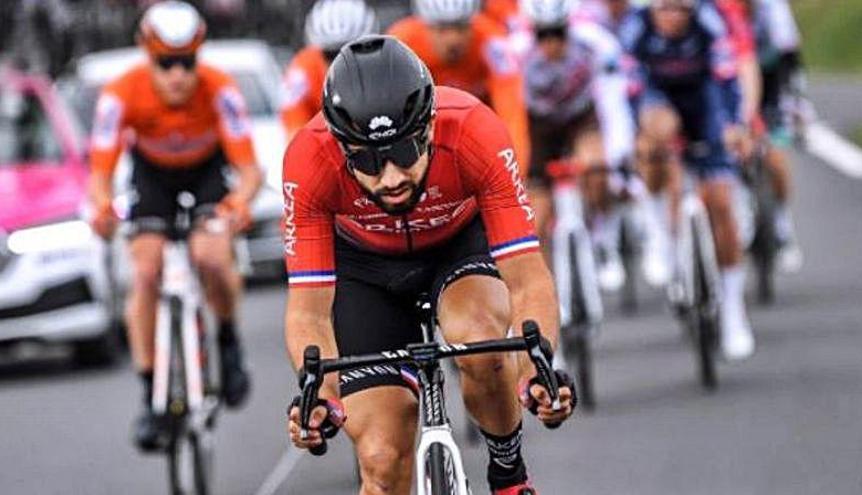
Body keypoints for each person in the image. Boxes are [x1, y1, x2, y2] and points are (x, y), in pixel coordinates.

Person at [283, 36, 575, 495]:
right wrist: (318, 396)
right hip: (365, 268)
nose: (392, 177)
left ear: (429, 128)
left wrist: (540, 367)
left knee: (481, 337)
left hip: (457, 245)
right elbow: (309, 313)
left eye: (404, 152)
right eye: (368, 161)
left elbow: (527, 278)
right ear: (341, 148)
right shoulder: (308, 160)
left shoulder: (475, 130)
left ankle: (508, 474)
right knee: (380, 459)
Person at [87, 0, 262, 450]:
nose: (177, 75)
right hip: (154, 177)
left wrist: (239, 203)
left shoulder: (221, 89)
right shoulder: (120, 93)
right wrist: (102, 206)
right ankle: (151, 396)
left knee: (211, 255)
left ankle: (227, 340)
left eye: (186, 62)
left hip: (207, 173)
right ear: (147, 56)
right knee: (145, 271)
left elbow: (248, 170)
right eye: (166, 64)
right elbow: (100, 172)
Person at [620, 0, 756, 359]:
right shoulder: (636, 28)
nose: (673, 17)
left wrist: (734, 127)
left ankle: (732, 309)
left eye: (682, 10)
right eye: (665, 9)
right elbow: (629, 89)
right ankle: (659, 234)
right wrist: (637, 137)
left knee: (721, 203)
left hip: (703, 102)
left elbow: (727, 78)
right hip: (658, 103)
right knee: (655, 145)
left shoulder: (711, 21)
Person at [519, 0, 636, 291]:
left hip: (581, 119)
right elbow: (508, 109)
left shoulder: (596, 43)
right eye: (542, 35)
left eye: (558, 33)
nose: (551, 43)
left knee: (595, 169)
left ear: (569, 28)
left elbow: (613, 100)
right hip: (538, 127)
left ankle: (604, 242)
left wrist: (618, 153)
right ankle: (546, 288)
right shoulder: (515, 52)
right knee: (537, 218)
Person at [387, 0, 531, 176]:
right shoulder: (401, 43)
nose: (453, 39)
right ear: (425, 26)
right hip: (426, 126)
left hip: (477, 124)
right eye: (442, 29)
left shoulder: (492, 41)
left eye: (461, 28)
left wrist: (516, 174)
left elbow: (512, 115)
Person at [744, 0, 804, 272]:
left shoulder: (773, 8)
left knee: (777, 160)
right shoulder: (714, 10)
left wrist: (797, 102)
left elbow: (790, 57)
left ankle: (782, 223)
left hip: (771, 84)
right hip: (733, 82)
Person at [279, 0, 377, 139]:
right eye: (331, 55)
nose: (340, 62)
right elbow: (295, 137)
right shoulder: (303, 72)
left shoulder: (390, 69)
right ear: (318, 52)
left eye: (351, 52)